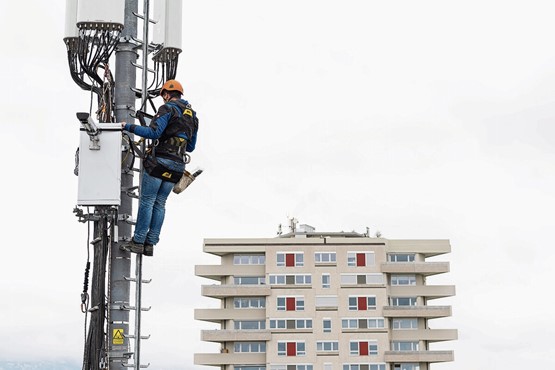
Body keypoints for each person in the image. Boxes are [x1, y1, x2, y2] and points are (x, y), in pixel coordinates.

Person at [119, 80, 199, 256]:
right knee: (160, 203)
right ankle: (150, 244)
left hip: (160, 161)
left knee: (147, 200)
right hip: (178, 164)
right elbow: (191, 146)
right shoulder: (192, 115)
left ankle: (138, 241)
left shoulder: (167, 109)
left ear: (166, 94)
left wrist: (128, 127)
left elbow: (153, 133)